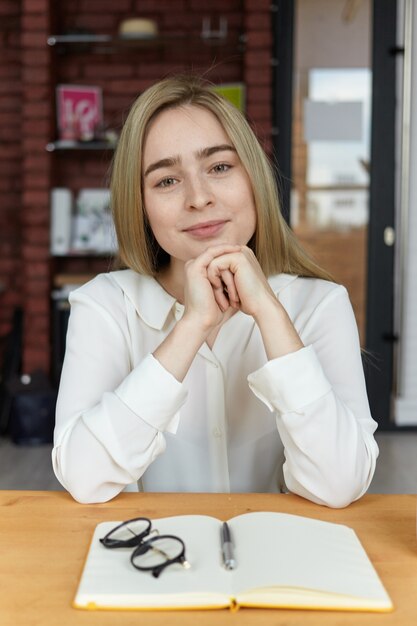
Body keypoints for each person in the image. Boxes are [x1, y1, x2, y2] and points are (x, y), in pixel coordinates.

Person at [52, 75, 378, 506]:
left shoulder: (320, 304)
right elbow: (84, 476)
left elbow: (340, 484)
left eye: (220, 167)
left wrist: (270, 315)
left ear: (254, 179)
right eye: (166, 180)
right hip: (154, 557)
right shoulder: (105, 305)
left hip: (281, 560)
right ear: (141, 203)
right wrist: (192, 326)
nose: (199, 197)